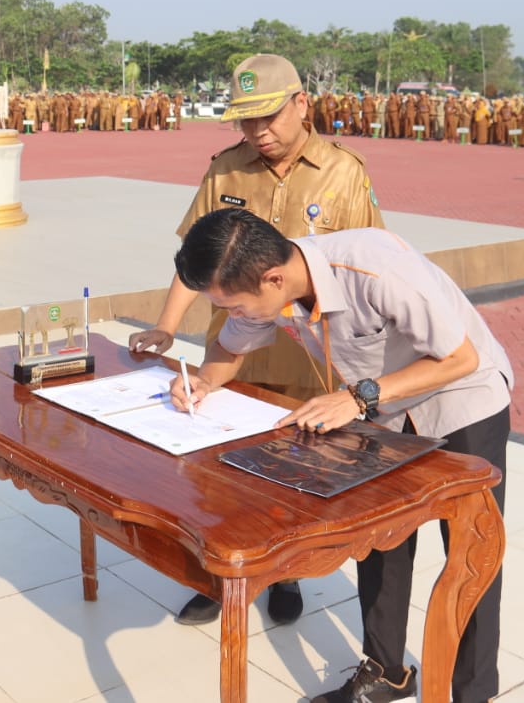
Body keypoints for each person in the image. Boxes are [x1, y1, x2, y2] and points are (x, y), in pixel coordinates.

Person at [170, 207, 512, 703]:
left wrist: (356, 397)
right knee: (381, 540)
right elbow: (229, 350)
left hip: (462, 400)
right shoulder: (270, 287)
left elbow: (460, 358)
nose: (235, 315)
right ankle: (386, 674)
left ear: (273, 278)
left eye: (236, 306)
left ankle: (474, 692)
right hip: (382, 410)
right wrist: (201, 381)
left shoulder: (375, 267)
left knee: (470, 552)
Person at [129, 53, 383, 627]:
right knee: (217, 469)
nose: (258, 131)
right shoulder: (226, 170)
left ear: (302, 103)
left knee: (295, 469)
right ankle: (217, 575)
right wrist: (166, 326)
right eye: (246, 120)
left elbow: (363, 264)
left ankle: (284, 572)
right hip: (233, 351)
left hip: (307, 357)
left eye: (269, 117)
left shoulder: (343, 172)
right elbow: (195, 262)